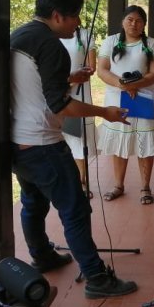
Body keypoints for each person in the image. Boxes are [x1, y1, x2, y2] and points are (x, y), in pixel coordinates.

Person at [11, 0, 137, 298]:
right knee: (75, 209)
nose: (78, 24)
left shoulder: (20, 36)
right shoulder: (52, 46)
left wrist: (68, 78)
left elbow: (31, 82)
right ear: (57, 16)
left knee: (34, 202)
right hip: (42, 143)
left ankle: (42, 256)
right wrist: (105, 112)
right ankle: (97, 278)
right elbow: (62, 106)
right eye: (74, 18)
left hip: (17, 143)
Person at [96, 6, 154, 205]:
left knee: (145, 143)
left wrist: (135, 85)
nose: (134, 24)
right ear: (123, 21)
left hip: (143, 98)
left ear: (144, 24)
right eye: (130, 19)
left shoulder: (151, 43)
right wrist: (123, 85)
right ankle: (118, 185)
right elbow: (102, 70)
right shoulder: (111, 42)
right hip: (117, 99)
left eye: (139, 21)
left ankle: (145, 187)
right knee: (119, 142)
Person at [59, 25, 97, 192]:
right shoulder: (51, 35)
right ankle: (66, 181)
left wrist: (71, 83)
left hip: (77, 92)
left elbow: (91, 67)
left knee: (78, 138)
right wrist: (61, 86)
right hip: (56, 94)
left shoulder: (84, 35)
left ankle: (81, 181)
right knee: (61, 137)